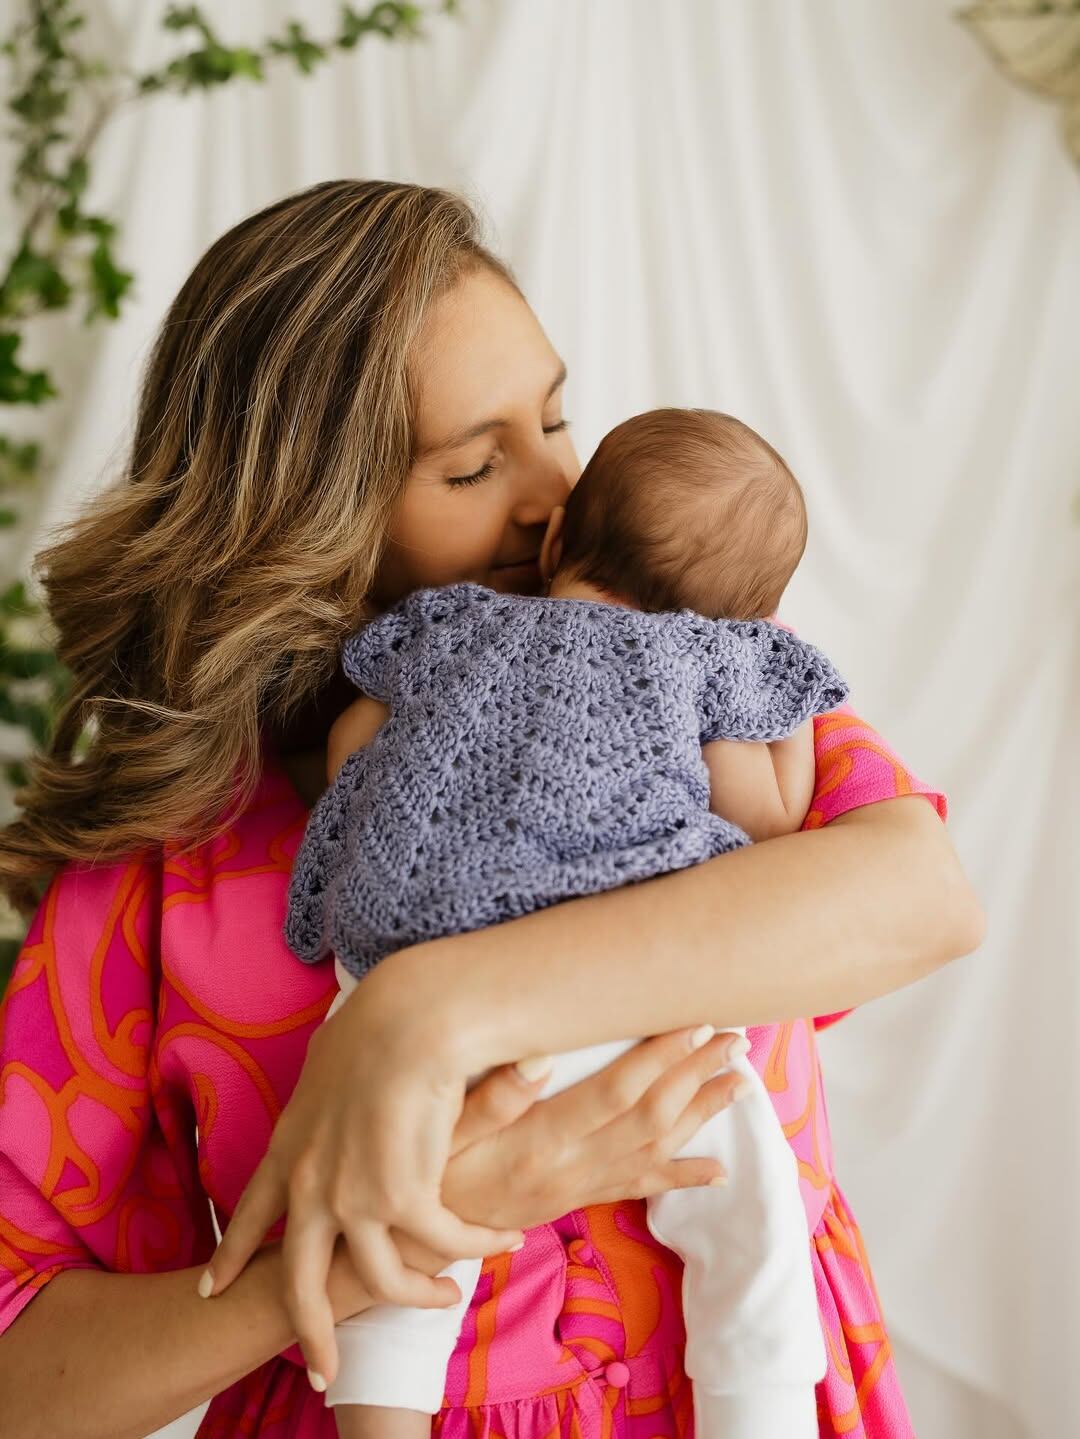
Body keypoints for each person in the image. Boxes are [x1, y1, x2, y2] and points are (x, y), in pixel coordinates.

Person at [0, 180, 983, 1439]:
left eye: (557, 417)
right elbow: (18, 1364)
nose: (558, 491)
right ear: (303, 518)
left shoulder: (688, 661)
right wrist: (379, 1244)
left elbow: (923, 896)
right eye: (471, 463)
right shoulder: (165, 863)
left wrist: (417, 1011)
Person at [289, 406, 849, 1439]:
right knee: (747, 1217)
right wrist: (786, 718)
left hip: (411, 990)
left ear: (556, 543)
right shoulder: (695, 663)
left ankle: (376, 1414)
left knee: (404, 1221)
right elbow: (766, 821)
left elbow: (352, 742)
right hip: (614, 997)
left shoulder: (457, 624)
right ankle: (758, 1412)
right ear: (742, 623)